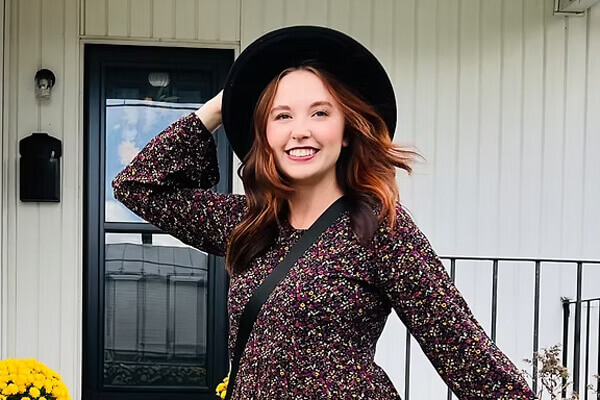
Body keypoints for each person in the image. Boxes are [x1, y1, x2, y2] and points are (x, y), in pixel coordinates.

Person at [113, 26, 537, 400]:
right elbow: (137, 186)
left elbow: (464, 352)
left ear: (347, 129)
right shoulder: (250, 222)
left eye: (319, 112)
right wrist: (221, 107)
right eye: (282, 115)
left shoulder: (379, 227)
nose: (300, 130)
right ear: (265, 134)